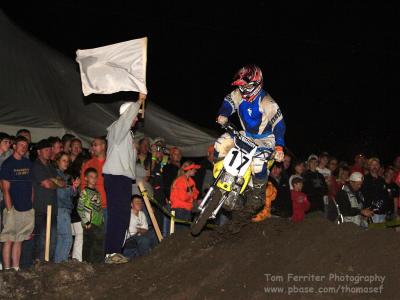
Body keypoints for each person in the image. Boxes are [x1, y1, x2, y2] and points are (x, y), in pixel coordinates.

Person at [215, 64, 286, 213]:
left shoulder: (267, 102)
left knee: (259, 162)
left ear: (257, 83)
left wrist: (279, 147)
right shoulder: (238, 94)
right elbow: (228, 102)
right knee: (221, 143)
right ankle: (221, 176)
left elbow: (279, 125)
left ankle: (258, 193)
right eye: (241, 86)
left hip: (266, 139)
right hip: (246, 134)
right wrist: (224, 114)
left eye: (246, 86)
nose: (243, 90)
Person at [103, 93, 145, 264]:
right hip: (116, 178)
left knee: (121, 216)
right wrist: (140, 100)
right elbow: (127, 118)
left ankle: (114, 252)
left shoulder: (126, 135)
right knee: (118, 216)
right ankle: (111, 253)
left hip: (123, 179)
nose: (136, 119)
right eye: (134, 115)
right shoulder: (117, 128)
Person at [0, 136, 34, 272]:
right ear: (14, 146)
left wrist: (31, 206)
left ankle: (16, 269)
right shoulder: (8, 164)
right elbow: (5, 189)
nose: (23, 148)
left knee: (19, 239)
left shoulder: (28, 163)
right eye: (20, 145)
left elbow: (31, 186)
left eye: (25, 146)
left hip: (26, 207)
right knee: (9, 239)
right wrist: (9, 210)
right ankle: (7, 270)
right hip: (12, 207)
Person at [32, 139, 64, 261]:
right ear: (39, 151)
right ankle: (37, 263)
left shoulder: (51, 166)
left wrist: (53, 181)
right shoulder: (36, 166)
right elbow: (48, 184)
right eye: (46, 150)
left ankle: (46, 263)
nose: (49, 152)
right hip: (40, 208)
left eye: (50, 150)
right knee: (40, 238)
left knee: (52, 238)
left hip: (52, 207)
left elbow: (62, 183)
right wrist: (54, 182)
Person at [54, 152, 80, 263]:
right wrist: (71, 188)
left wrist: (73, 187)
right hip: (61, 209)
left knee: (61, 238)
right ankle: (62, 263)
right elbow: (61, 194)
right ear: (57, 161)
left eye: (67, 161)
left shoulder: (64, 176)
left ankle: (58, 263)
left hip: (64, 209)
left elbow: (73, 194)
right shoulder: (57, 175)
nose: (66, 163)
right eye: (64, 160)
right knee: (67, 238)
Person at [80, 137, 107, 229]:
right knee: (94, 237)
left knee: (109, 234)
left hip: (109, 206)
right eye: (92, 145)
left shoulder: (111, 163)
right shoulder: (88, 164)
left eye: (95, 145)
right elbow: (83, 185)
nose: (93, 148)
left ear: (103, 146)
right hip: (93, 207)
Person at [77, 168, 103, 263]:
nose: (94, 179)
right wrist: (86, 221)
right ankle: (87, 264)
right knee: (89, 245)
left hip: (98, 223)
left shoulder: (97, 192)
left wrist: (102, 220)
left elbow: (99, 208)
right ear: (86, 178)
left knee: (98, 245)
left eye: (95, 177)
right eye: (91, 177)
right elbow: (79, 208)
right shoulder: (84, 192)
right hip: (89, 223)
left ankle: (97, 265)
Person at [170, 161, 200, 230]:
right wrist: (190, 195)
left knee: (185, 231)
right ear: (189, 169)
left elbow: (195, 194)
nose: (196, 171)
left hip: (187, 208)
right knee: (180, 232)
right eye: (194, 169)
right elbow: (183, 197)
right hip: (179, 209)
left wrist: (190, 194)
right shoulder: (180, 181)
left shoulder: (191, 181)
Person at [361, 158, 388, 223]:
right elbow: (362, 196)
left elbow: (385, 196)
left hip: (382, 212)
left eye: (376, 164)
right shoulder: (364, 179)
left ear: (379, 166)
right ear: (369, 166)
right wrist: (364, 210)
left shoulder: (382, 180)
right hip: (370, 212)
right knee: (371, 232)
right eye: (372, 165)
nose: (374, 166)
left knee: (381, 232)